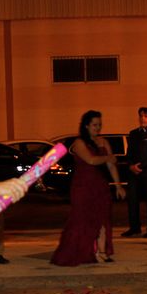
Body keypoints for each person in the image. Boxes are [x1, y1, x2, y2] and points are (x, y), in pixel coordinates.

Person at [51, 110, 124, 266]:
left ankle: (102, 251)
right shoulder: (79, 143)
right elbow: (90, 160)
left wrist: (118, 185)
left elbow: (111, 165)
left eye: (100, 125)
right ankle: (87, 250)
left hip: (100, 185)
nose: (98, 128)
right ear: (86, 126)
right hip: (83, 186)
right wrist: (107, 157)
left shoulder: (103, 142)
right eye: (94, 125)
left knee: (103, 218)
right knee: (83, 219)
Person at [122, 107, 147, 238]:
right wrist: (131, 165)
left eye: (145, 116)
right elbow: (129, 152)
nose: (142, 118)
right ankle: (134, 227)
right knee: (132, 200)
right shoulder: (133, 133)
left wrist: (142, 166)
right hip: (134, 172)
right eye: (141, 116)